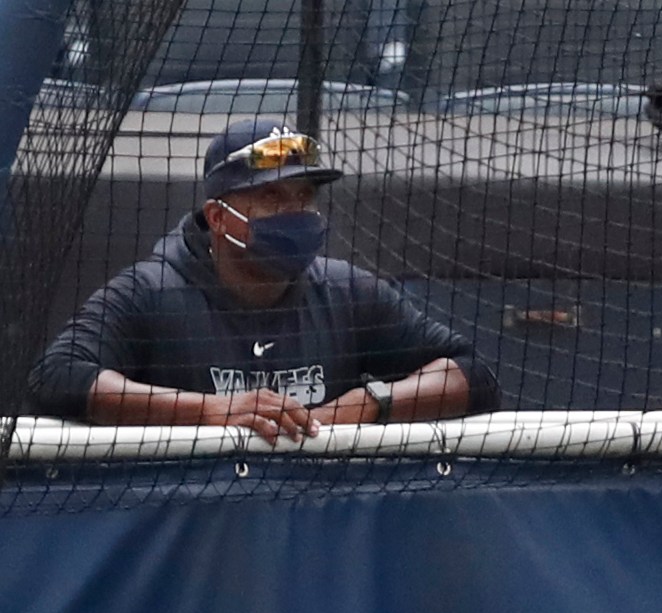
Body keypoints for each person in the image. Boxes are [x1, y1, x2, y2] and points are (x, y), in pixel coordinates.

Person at [29, 118, 497, 441]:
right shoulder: (149, 293)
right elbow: (59, 377)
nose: (294, 212)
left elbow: (472, 373)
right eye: (271, 196)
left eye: (304, 196)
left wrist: (371, 403)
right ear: (218, 216)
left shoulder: (347, 292)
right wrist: (210, 411)